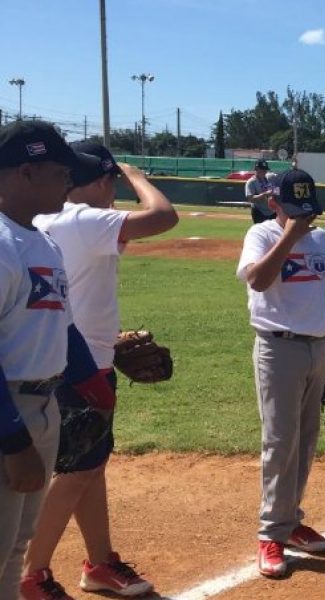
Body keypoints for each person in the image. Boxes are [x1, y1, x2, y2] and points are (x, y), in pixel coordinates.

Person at [24, 142, 178, 598]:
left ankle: (99, 562)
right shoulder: (82, 219)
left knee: (90, 468)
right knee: (75, 474)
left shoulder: (49, 222)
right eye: (111, 181)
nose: (114, 190)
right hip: (81, 369)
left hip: (72, 359)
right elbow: (162, 215)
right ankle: (31, 573)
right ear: (99, 181)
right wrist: (137, 176)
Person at [0, 121, 116, 600]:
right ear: (25, 172)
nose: (68, 182)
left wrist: (97, 391)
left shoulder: (42, 242)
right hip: (12, 412)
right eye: (59, 172)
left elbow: (63, 329)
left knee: (16, 549)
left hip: (43, 407)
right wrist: (13, 439)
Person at [236, 169, 325, 578]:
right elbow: (258, 280)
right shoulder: (263, 237)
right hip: (278, 346)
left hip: (318, 346)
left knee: (305, 440)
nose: (306, 221)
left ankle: (291, 520)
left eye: (309, 212)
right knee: (280, 440)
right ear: (274, 205)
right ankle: (270, 533)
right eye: (295, 211)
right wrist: (289, 236)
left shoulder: (321, 241)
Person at [245, 159, 278, 224]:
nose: (265, 171)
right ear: (257, 169)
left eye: (265, 169)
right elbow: (250, 198)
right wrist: (265, 194)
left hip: (272, 211)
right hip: (259, 212)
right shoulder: (251, 182)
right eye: (262, 170)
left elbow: (280, 181)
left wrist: (275, 191)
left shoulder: (270, 177)